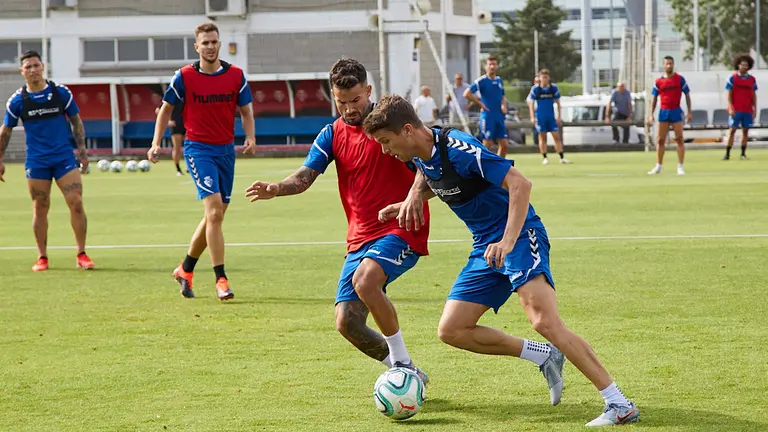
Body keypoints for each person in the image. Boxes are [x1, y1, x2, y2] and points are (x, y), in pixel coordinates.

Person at [364, 94, 639, 427]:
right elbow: (440, 178)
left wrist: (508, 241)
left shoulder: (460, 148)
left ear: (407, 130)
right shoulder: (422, 153)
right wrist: (410, 200)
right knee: (452, 330)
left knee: (544, 321)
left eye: (386, 141)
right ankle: (543, 355)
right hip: (486, 247)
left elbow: (520, 184)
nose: (384, 150)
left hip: (520, 235)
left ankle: (619, 403)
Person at [244, 58, 431, 381]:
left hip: (400, 229)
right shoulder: (332, 133)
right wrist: (277, 187)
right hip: (359, 238)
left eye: (355, 100)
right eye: (341, 102)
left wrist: (414, 195)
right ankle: (407, 370)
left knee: (367, 281)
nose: (348, 109)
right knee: (347, 322)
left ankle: (401, 365)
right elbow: (306, 175)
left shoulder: (392, 123)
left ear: (368, 91)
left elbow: (429, 161)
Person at [148, 22, 257, 300]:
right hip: (198, 149)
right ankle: (221, 279)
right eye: (204, 43)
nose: (210, 46)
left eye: (214, 42)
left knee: (215, 215)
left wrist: (250, 137)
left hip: (226, 151)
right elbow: (165, 110)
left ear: (220, 44)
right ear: (197, 47)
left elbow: (246, 110)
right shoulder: (184, 76)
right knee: (215, 213)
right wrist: (156, 142)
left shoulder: (235, 75)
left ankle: (185, 270)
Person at [0, 50, 95, 272]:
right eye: (28, 67)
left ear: (43, 67)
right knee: (40, 207)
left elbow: (76, 121)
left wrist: (82, 151)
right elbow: (5, 131)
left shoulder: (60, 93)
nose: (33, 70)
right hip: (37, 161)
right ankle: (42, 257)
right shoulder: (18, 101)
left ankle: (81, 253)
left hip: (63, 158)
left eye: (36, 65)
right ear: (22, 71)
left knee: (77, 202)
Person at [647, 56, 691, 175]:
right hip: (664, 111)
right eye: (667, 64)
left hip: (676, 111)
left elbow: (687, 95)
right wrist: (651, 114)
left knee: (679, 139)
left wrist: (689, 111)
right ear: (663, 65)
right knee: (660, 140)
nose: (669, 66)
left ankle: (680, 166)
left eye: (670, 64)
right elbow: (654, 99)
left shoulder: (679, 79)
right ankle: (658, 166)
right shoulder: (658, 82)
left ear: (673, 64)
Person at [464, 56, 510, 158]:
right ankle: (482, 167)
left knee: (504, 145)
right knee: (487, 144)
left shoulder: (499, 80)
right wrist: (480, 104)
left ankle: (499, 167)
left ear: (497, 66)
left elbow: (502, 95)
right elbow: (467, 93)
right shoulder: (481, 81)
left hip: (499, 116)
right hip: (488, 116)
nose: (492, 66)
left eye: (494, 64)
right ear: (486, 66)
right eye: (490, 64)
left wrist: (503, 105)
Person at [528, 69, 571, 165]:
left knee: (556, 136)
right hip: (540, 117)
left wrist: (559, 116)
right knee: (542, 137)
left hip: (551, 117)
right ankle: (545, 157)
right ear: (539, 78)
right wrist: (532, 117)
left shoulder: (553, 88)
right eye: (543, 77)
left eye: (546, 77)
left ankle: (562, 157)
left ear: (549, 78)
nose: (545, 79)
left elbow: (558, 103)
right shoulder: (536, 89)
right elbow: (531, 103)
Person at [724, 53, 758, 161]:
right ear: (738, 65)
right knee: (732, 130)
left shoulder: (752, 79)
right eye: (742, 65)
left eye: (746, 65)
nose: (744, 67)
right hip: (736, 109)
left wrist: (754, 109)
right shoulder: (732, 78)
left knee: (745, 131)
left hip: (747, 109)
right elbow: (728, 94)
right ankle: (727, 153)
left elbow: (753, 94)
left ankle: (743, 154)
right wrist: (730, 107)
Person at [154, 102, 186, 175]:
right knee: (177, 148)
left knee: (190, 145)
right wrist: (168, 121)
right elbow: (158, 110)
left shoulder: (187, 95)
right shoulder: (173, 95)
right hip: (175, 125)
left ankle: (189, 166)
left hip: (186, 124)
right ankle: (178, 169)